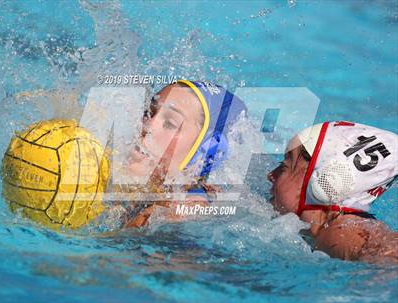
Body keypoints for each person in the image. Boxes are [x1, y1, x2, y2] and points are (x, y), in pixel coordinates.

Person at [115, 80, 247, 227]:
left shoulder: (179, 212)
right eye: (149, 112)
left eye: (170, 124)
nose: (147, 125)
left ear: (204, 153)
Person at [267, 121, 398, 263]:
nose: (271, 175)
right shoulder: (334, 228)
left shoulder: (341, 234)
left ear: (327, 182)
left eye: (284, 166)